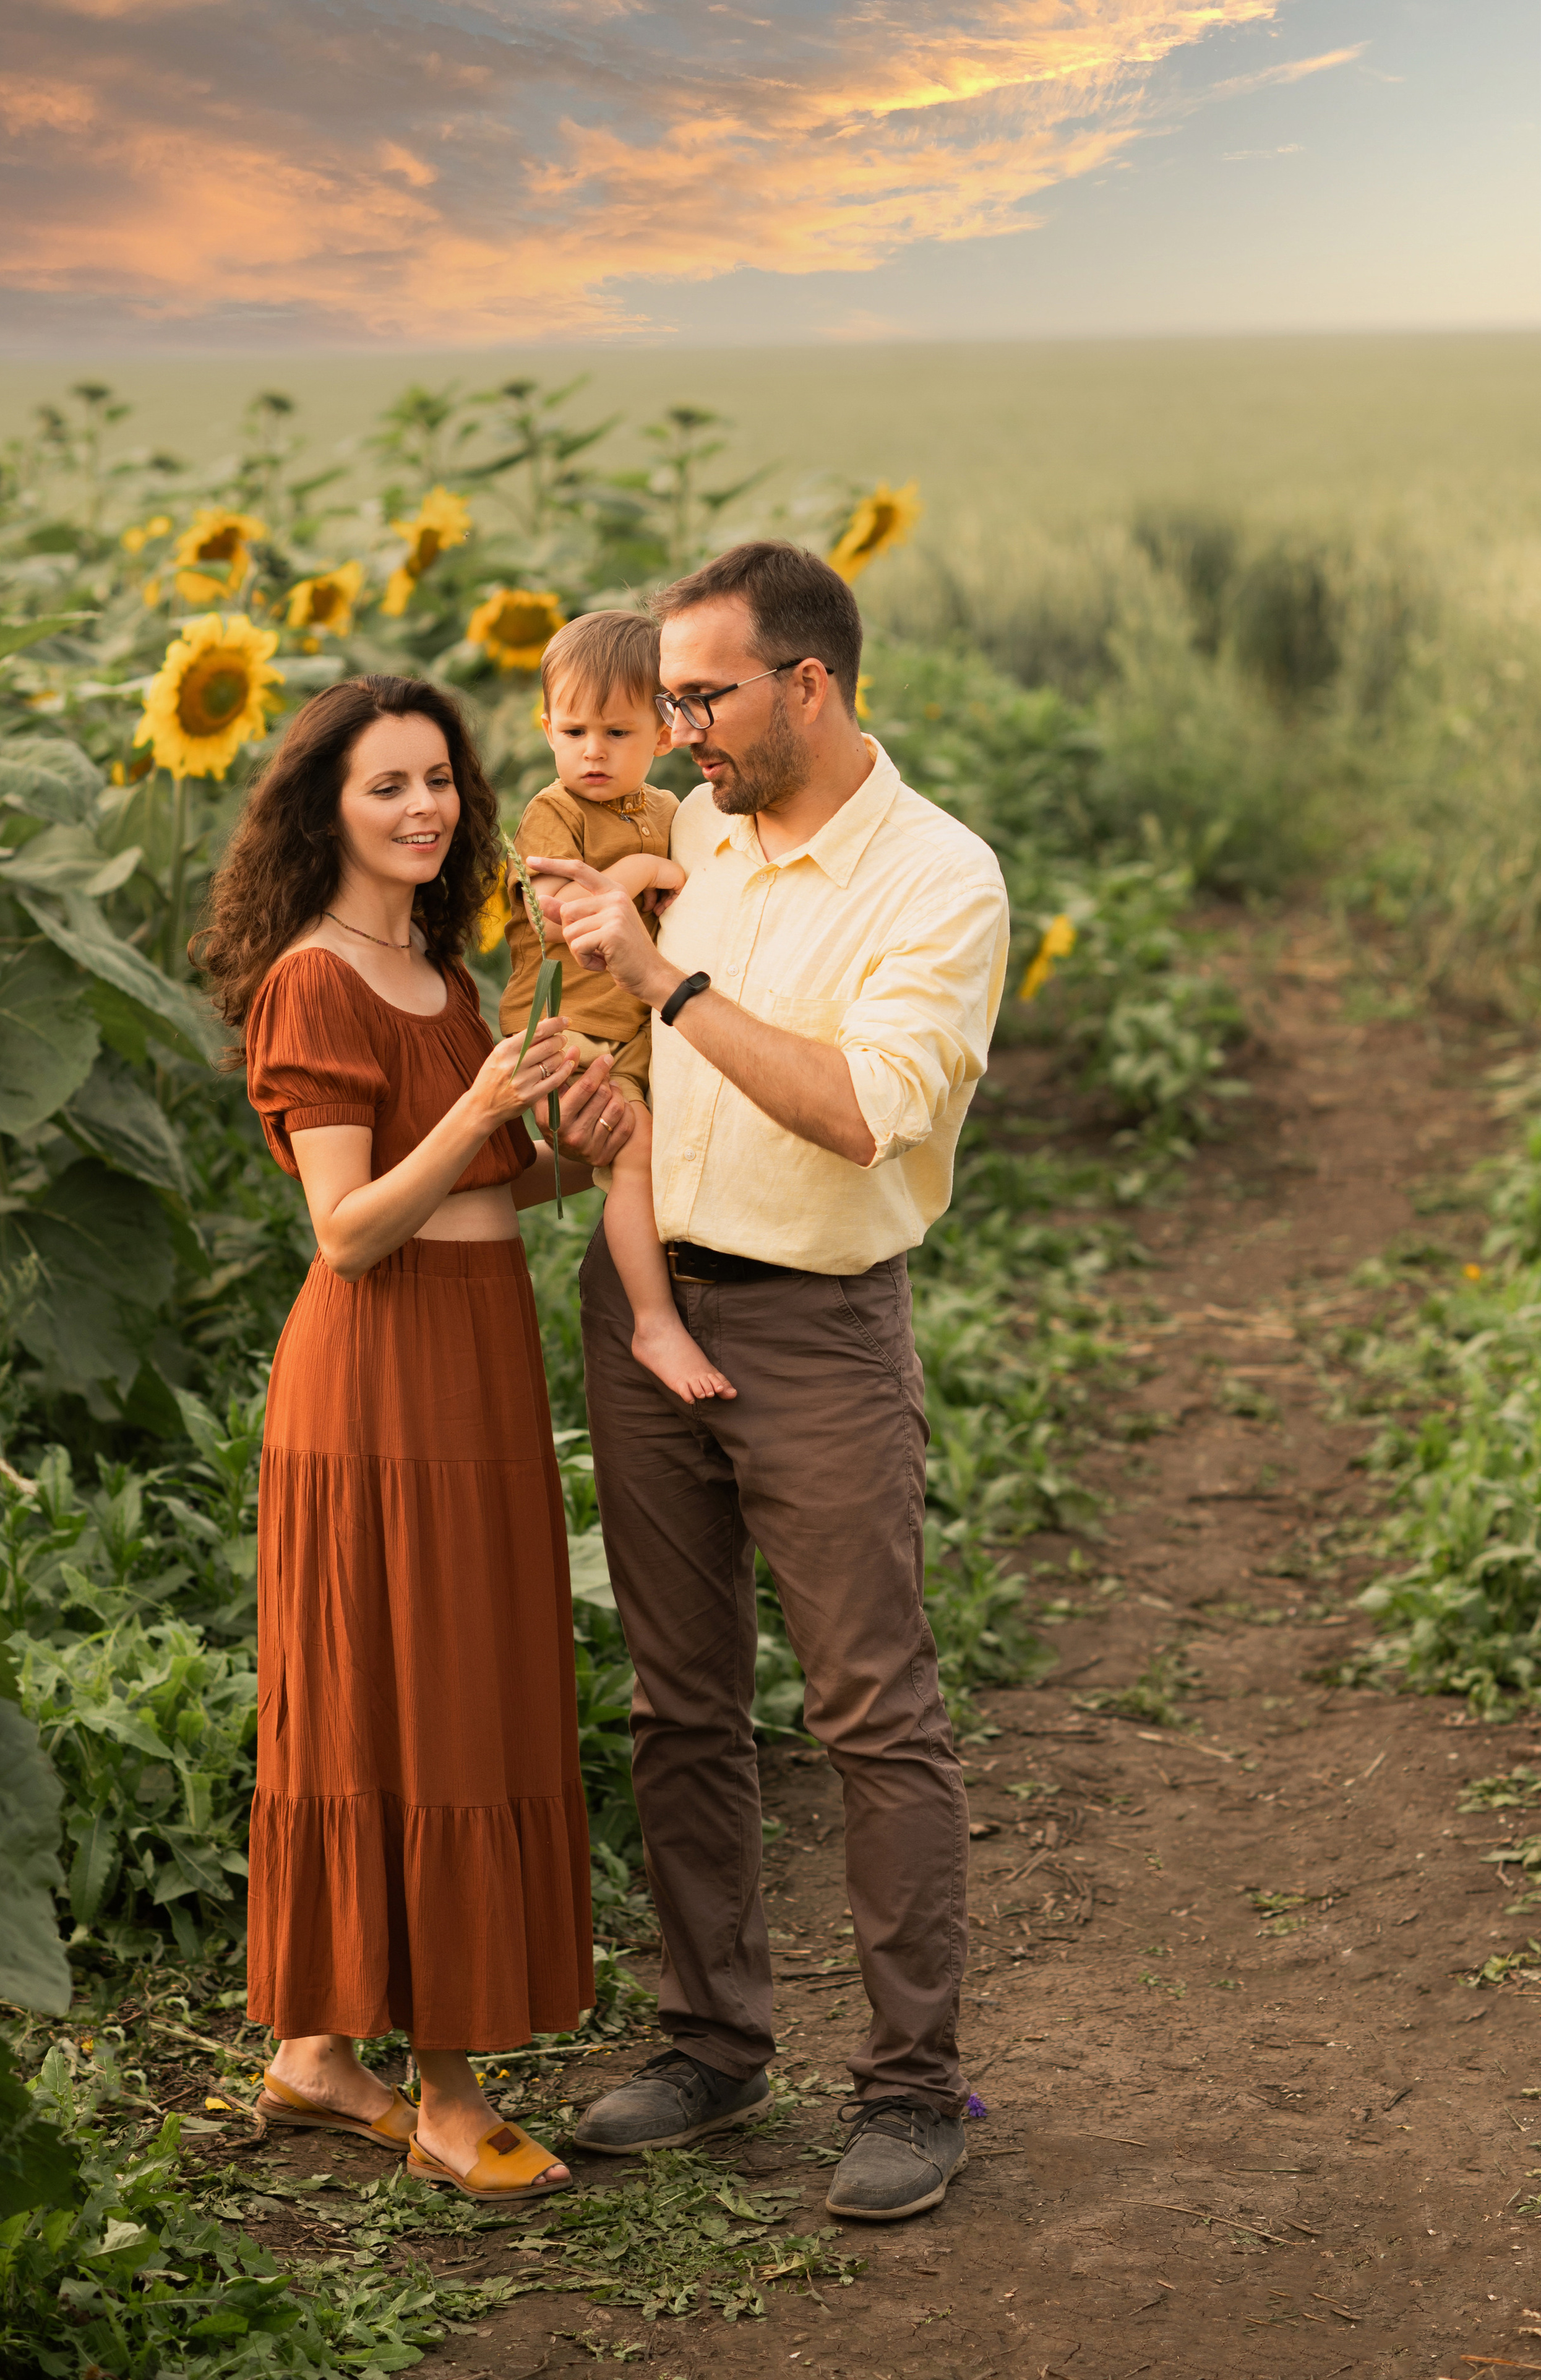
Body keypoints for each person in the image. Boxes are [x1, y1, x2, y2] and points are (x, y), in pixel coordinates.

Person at [550, 544, 1010, 2223]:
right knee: (679, 1704)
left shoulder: (937, 878)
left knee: (871, 1711)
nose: (675, 732)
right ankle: (713, 2045)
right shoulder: (695, 835)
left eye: (703, 697)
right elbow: (641, 1054)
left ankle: (910, 2089)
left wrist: (669, 982)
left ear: (808, 683)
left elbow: (861, 1111)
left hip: (816, 1328)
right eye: (666, 700)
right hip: (647, 1305)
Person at [194, 674, 635, 2205]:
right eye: (386, 783)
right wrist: (478, 1109)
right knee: (419, 1699)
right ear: (324, 807)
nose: (424, 807)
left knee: (446, 1683)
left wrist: (576, 1150)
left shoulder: (443, 976)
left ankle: (319, 2056)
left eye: (439, 779)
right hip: (374, 1378)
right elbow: (348, 1229)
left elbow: (477, 1193)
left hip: (476, 1360)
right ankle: (445, 2095)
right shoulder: (313, 983)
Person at [502, 610, 734, 1407]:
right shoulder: (555, 811)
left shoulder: (670, 812)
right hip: (564, 1030)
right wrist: (642, 873)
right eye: (573, 732)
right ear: (547, 730)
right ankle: (652, 1322)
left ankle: (691, 1293)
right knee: (634, 1147)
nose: (592, 752)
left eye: (617, 732)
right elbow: (562, 913)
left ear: (664, 734)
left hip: (637, 1030)